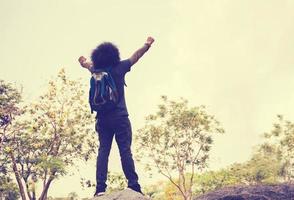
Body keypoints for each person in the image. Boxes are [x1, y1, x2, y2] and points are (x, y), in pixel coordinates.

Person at [78, 37, 155, 197]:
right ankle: (133, 185)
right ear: (115, 55)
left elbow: (87, 65)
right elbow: (136, 56)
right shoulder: (120, 67)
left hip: (102, 119)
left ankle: (100, 188)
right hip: (120, 117)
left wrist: (83, 62)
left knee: (103, 151)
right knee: (125, 150)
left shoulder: (95, 70)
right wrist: (147, 44)